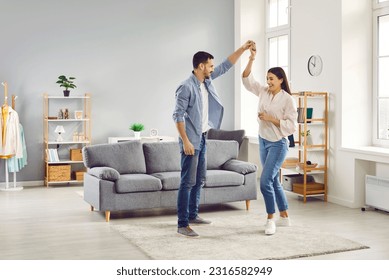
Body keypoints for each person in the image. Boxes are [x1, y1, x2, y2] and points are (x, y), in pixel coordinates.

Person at [173, 41, 253, 237]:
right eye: (210, 65)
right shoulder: (186, 87)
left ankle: (193, 215)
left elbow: (226, 65)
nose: (212, 69)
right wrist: (185, 141)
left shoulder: (206, 81)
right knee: (187, 182)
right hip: (191, 140)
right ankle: (182, 224)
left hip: (202, 137)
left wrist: (243, 49)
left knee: (200, 179)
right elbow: (177, 115)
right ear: (201, 66)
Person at [242, 43, 297, 235]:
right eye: (267, 78)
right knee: (273, 181)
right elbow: (247, 79)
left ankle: (270, 219)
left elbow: (291, 126)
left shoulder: (288, 99)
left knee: (265, 181)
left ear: (281, 80)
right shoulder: (264, 91)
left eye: (272, 79)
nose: (268, 81)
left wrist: (271, 119)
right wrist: (251, 58)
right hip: (263, 140)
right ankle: (285, 217)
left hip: (278, 144)